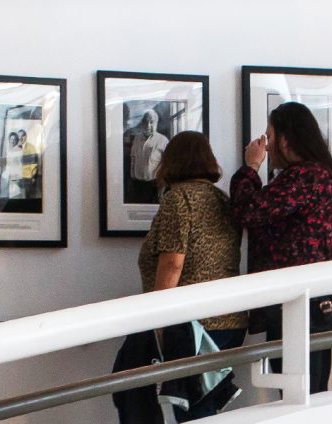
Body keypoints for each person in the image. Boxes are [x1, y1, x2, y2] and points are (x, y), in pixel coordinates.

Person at [119, 131, 242, 422]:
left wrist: (159, 323)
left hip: (191, 325)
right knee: (195, 405)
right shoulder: (221, 199)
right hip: (229, 322)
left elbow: (173, 263)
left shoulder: (179, 199)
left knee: (135, 388)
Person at [232, 102, 332, 393]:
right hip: (305, 305)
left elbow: (247, 210)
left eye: (270, 137)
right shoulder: (318, 175)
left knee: (299, 394)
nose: (267, 146)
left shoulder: (305, 176)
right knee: (307, 393)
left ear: (286, 139)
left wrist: (250, 166)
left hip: (296, 309)